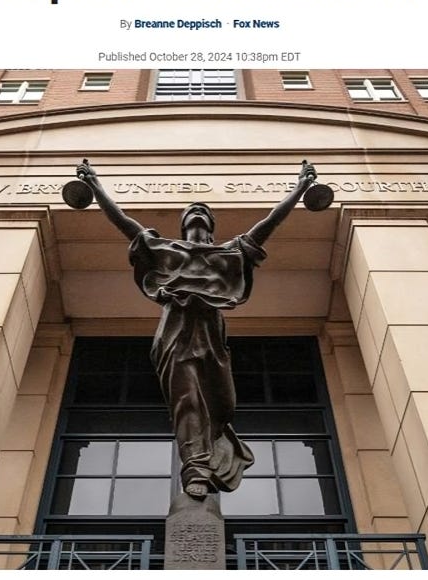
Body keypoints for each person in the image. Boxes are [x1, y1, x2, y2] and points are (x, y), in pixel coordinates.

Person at [74, 160, 317, 499]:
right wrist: (97, 188)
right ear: (184, 223)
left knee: (222, 405)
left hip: (211, 333)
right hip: (176, 330)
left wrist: (299, 191)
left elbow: (267, 225)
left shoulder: (228, 253)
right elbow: (125, 224)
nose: (197, 212)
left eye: (203, 210)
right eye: (191, 210)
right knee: (187, 399)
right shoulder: (166, 251)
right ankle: (196, 470)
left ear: (212, 226)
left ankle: (217, 450)